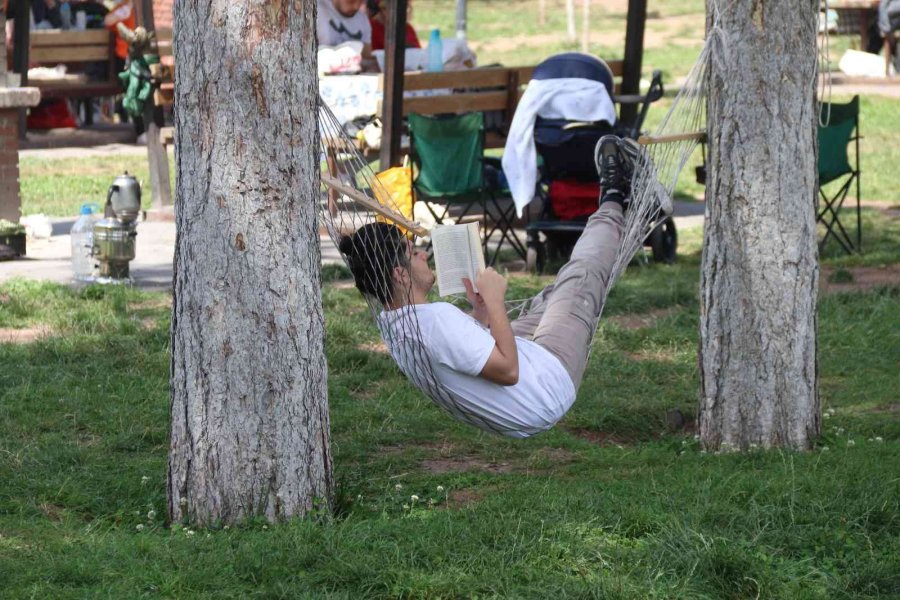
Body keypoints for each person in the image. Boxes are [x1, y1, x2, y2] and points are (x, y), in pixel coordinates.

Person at [339, 136, 672, 438]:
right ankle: (614, 194)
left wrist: (481, 313)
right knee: (582, 275)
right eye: (413, 253)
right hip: (544, 390)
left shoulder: (396, 324)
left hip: (524, 398)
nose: (424, 254)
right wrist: (496, 300)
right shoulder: (435, 321)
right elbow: (508, 371)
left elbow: (457, 357)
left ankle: (642, 214)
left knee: (561, 291)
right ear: (399, 275)